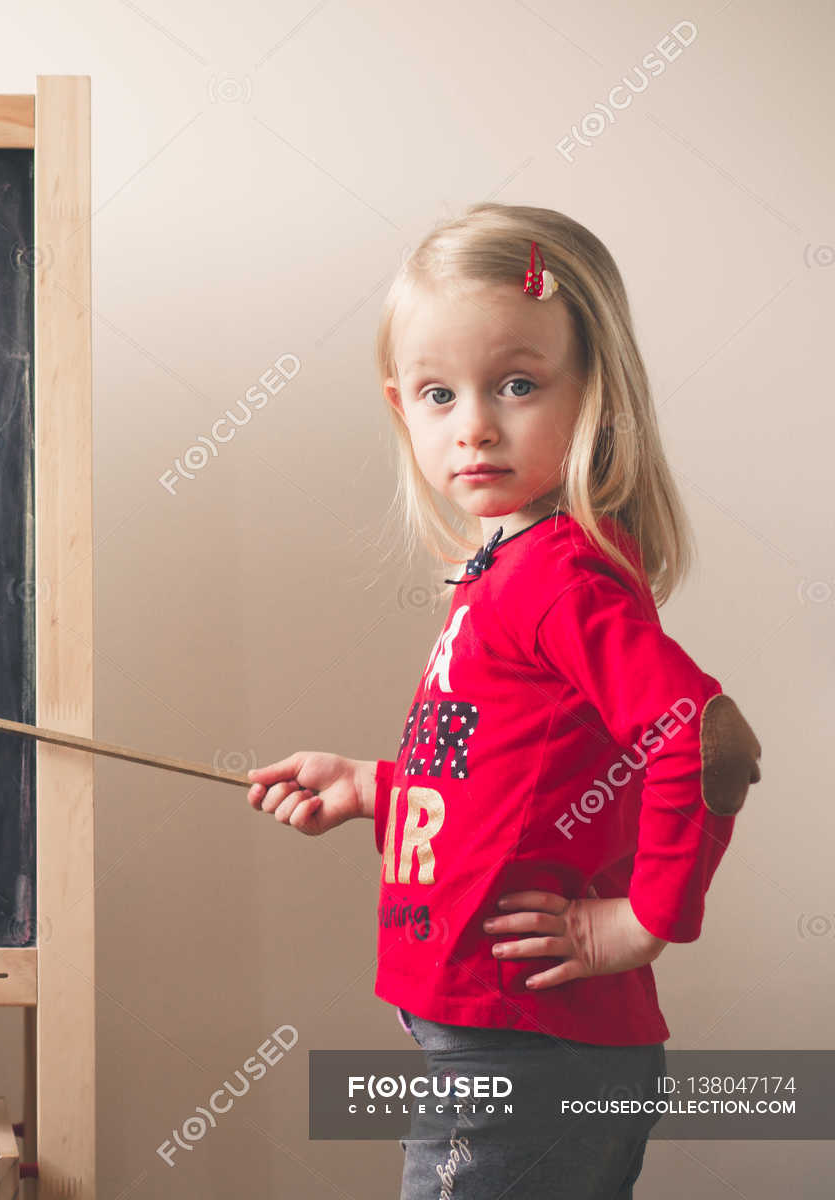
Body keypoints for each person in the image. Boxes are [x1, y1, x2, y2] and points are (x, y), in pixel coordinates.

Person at [245, 203, 764, 1199]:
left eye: (517, 385)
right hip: (512, 1045)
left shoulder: (553, 574)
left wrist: (643, 921)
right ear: (404, 407)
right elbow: (519, 778)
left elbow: (706, 743)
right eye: (441, 394)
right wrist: (376, 787)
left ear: (598, 395)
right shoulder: (512, 563)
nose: (474, 423)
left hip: (519, 1054)